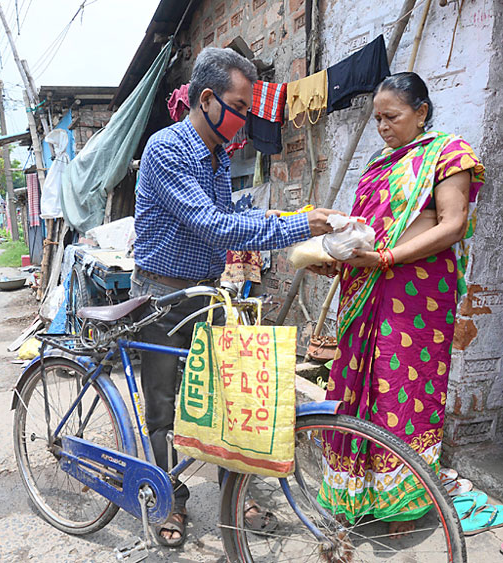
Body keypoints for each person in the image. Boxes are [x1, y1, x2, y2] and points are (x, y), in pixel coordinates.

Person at [131, 46, 341, 547]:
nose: (246, 119)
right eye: (241, 107)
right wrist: (297, 223)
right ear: (207, 100)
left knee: (227, 400)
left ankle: (233, 496)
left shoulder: (217, 158)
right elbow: (213, 225)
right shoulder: (167, 149)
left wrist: (299, 235)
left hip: (206, 295)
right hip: (160, 297)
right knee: (163, 407)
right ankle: (170, 499)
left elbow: (229, 220)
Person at [308, 72, 484, 538]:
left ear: (421, 112)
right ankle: (352, 494)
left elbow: (453, 224)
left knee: (399, 385)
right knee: (353, 385)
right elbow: (364, 226)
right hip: (365, 287)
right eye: (377, 119)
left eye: (393, 117)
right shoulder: (378, 162)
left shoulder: (448, 153)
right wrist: (338, 258)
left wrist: (387, 257)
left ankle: (401, 505)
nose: (383, 127)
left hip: (416, 294)